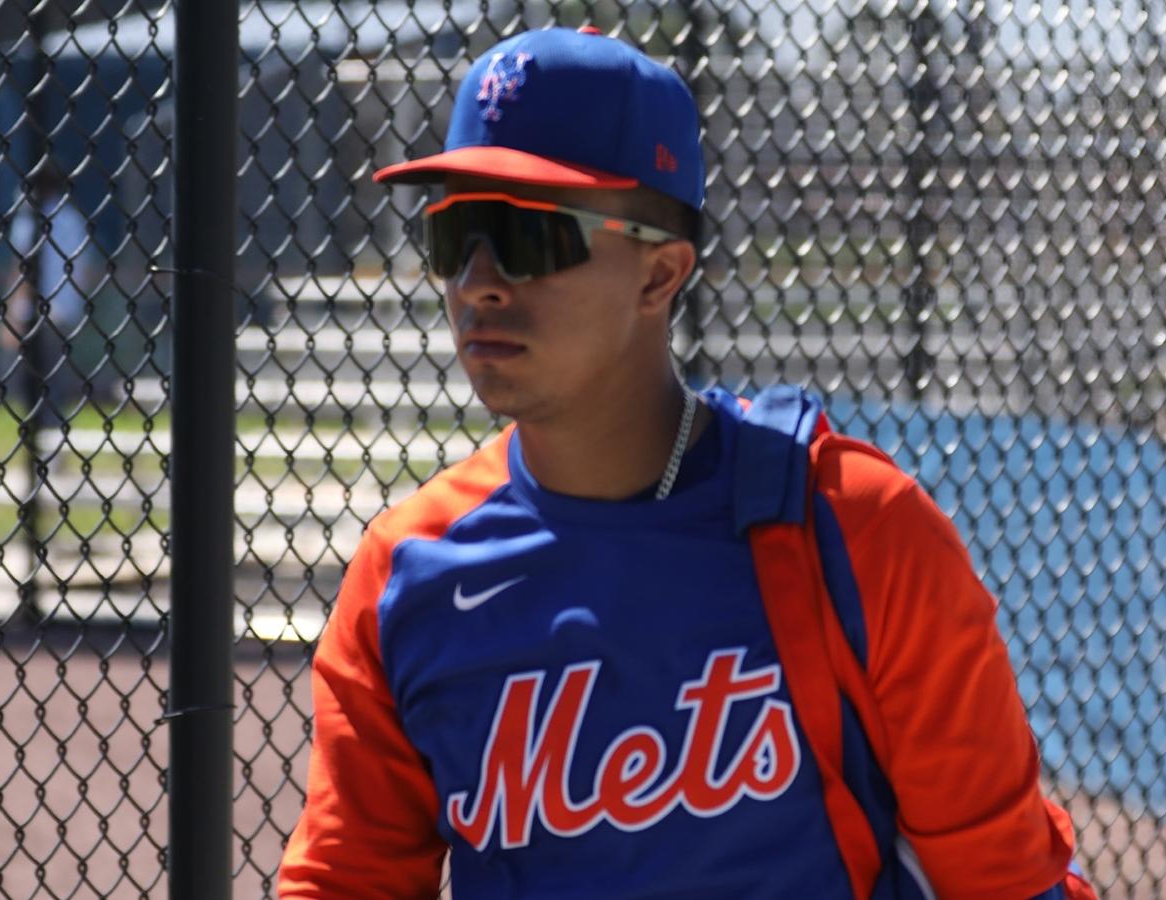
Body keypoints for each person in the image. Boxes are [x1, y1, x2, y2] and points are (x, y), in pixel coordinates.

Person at [280, 26, 1094, 899]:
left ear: (661, 274)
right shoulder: (408, 570)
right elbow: (344, 879)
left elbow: (1006, 879)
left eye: (528, 237)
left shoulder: (853, 525)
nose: (479, 281)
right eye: (454, 235)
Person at [4, 161, 93, 429]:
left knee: (30, 376)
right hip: (66, 307)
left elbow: (23, 269)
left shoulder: (29, 217)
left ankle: (40, 432)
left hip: (34, 309)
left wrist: (12, 312)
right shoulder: (74, 219)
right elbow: (85, 269)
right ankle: (53, 432)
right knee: (56, 377)